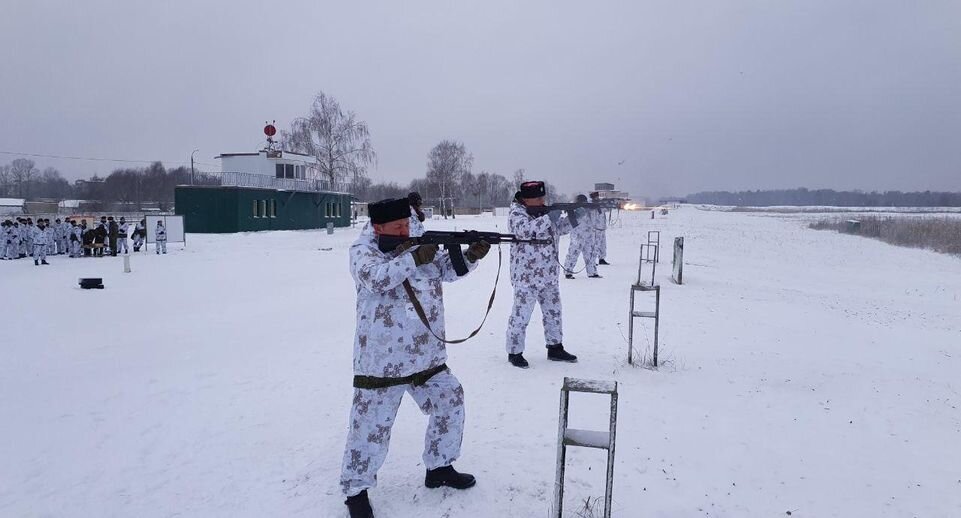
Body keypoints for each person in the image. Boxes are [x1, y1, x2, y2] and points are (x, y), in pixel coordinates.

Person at [340, 198, 489, 518]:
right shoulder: (362, 251)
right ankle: (356, 490)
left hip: (426, 354)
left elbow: (447, 271)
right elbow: (376, 279)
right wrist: (412, 258)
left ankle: (439, 467)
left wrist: (472, 255)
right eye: (397, 228)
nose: (405, 231)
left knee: (451, 400)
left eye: (406, 224)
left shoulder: (418, 239)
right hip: (382, 360)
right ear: (378, 227)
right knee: (369, 428)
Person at [505, 181, 578, 368]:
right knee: (521, 316)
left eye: (543, 197)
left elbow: (558, 229)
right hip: (526, 277)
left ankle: (555, 347)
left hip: (549, 276)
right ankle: (515, 352)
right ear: (527, 199)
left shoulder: (543, 212)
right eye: (538, 198)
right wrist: (549, 217)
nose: (542, 200)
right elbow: (525, 230)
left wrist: (576, 217)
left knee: (554, 314)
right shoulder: (516, 213)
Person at [562, 194, 600, 279]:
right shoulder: (574, 209)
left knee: (590, 254)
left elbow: (595, 216)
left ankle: (592, 272)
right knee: (573, 254)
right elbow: (569, 219)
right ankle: (568, 272)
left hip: (588, 235)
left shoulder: (589, 209)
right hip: (577, 236)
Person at [589, 192, 610, 265]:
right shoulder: (590, 205)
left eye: (597, 197)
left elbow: (607, 209)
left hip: (602, 228)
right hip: (595, 228)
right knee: (595, 245)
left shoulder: (601, 205)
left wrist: (607, 203)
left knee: (603, 245)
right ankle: (592, 260)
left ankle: (602, 258)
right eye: (595, 197)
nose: (597, 198)